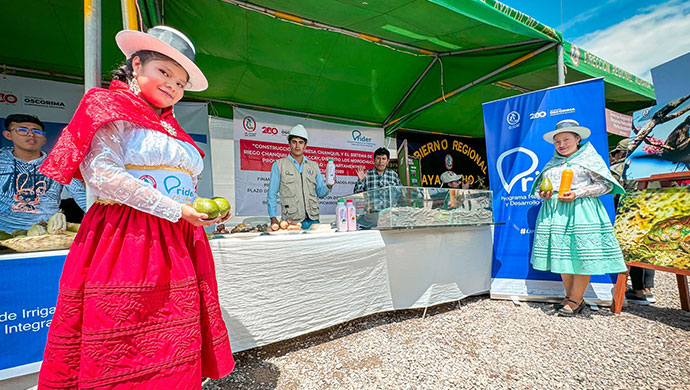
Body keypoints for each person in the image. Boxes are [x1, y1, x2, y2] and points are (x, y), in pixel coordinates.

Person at [37, 26, 234, 389]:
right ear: (137, 63)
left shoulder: (171, 126)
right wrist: (175, 209)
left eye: (180, 83)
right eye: (165, 73)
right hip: (128, 236)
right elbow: (101, 174)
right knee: (128, 331)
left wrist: (202, 210)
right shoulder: (106, 105)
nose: (173, 86)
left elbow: (183, 183)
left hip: (178, 239)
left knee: (175, 330)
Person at [530, 119, 627, 316]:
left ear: (577, 139)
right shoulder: (553, 163)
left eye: (566, 139)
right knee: (563, 253)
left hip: (581, 211)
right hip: (556, 212)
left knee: (581, 253)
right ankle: (570, 296)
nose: (562, 144)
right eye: (557, 141)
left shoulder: (590, 159)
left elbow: (606, 185)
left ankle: (576, 298)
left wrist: (578, 193)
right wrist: (543, 193)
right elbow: (540, 188)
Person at [1, 114, 86, 233]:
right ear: (8, 135)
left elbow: (83, 199)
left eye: (36, 131)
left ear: (44, 139)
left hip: (45, 235)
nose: (31, 134)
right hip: (4, 235)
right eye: (22, 130)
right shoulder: (2, 162)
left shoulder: (58, 164)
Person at [609, 138, 656, 305]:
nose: (613, 156)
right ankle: (646, 289)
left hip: (629, 215)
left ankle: (637, 290)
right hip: (654, 214)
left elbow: (611, 194)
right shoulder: (654, 166)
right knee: (647, 249)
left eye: (615, 153)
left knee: (630, 251)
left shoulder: (620, 168)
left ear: (622, 152)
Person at [267, 124, 333, 229]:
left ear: (305, 145)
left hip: (313, 220)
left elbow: (320, 193)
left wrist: (329, 186)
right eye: (294, 142)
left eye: (301, 142)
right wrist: (273, 217)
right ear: (289, 144)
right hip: (291, 221)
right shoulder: (279, 165)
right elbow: (272, 193)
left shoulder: (314, 166)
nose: (297, 146)